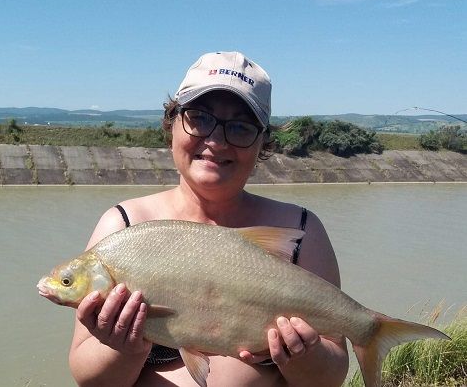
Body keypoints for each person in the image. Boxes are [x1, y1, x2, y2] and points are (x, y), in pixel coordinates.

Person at [68, 51, 349, 386]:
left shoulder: (302, 231)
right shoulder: (124, 226)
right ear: (171, 124)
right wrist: (125, 347)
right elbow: (88, 378)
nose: (216, 141)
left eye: (241, 127)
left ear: (263, 142)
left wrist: (304, 356)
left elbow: (329, 377)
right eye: (199, 118)